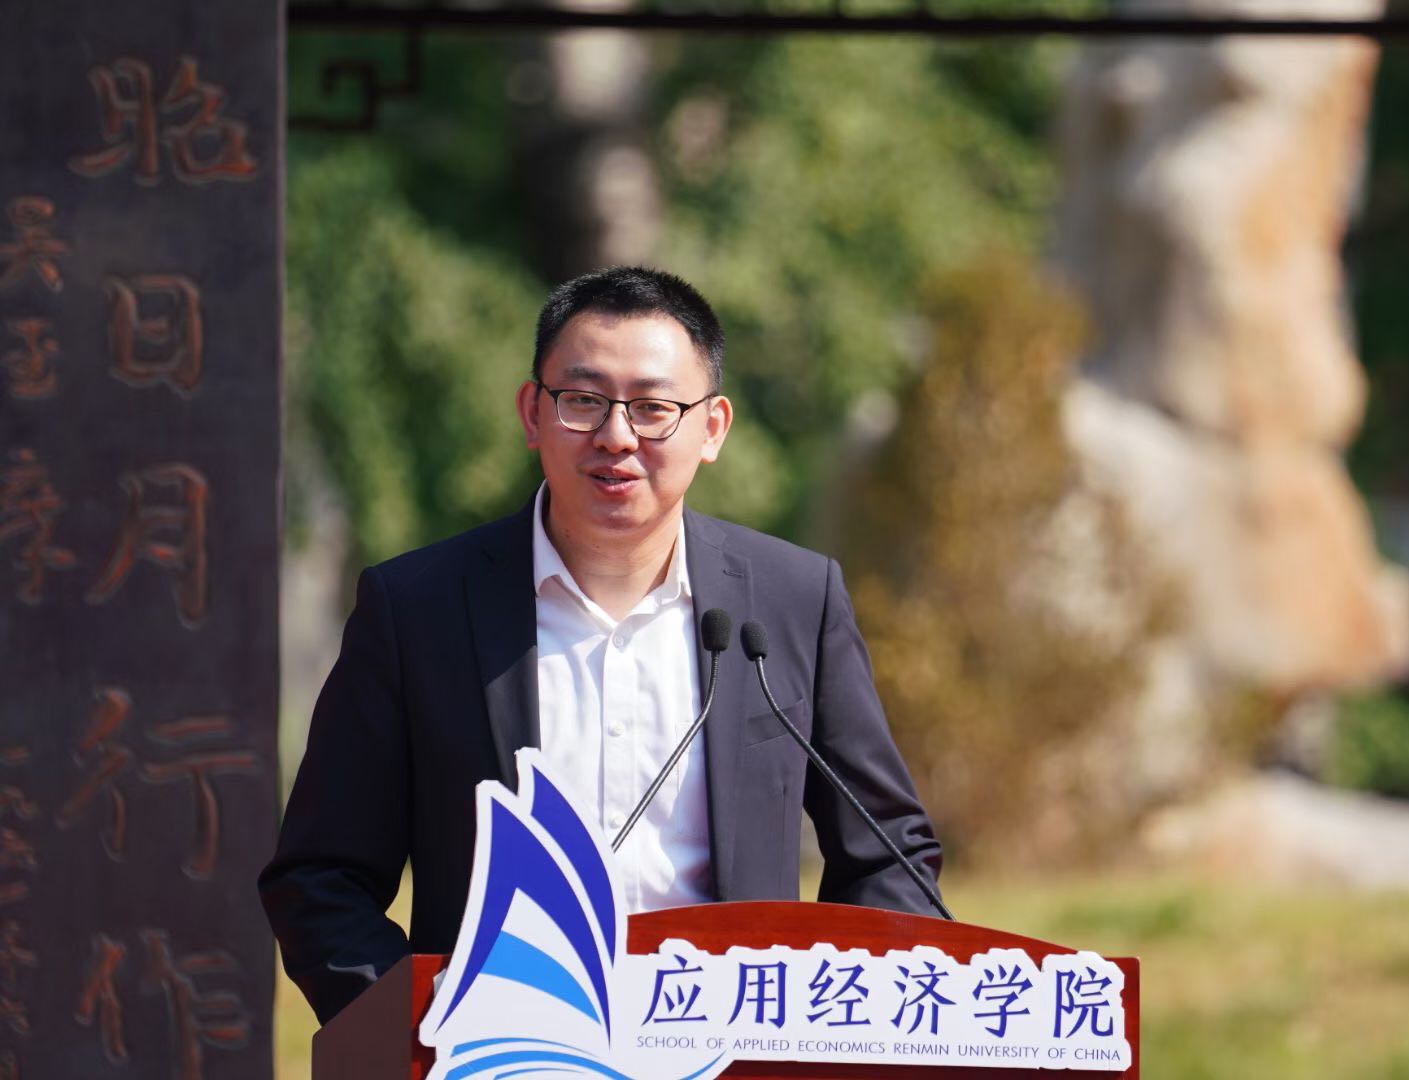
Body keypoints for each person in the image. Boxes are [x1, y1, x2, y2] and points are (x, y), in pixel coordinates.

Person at [260, 266, 942, 1024]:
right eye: (583, 401)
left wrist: (832, 1025)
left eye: (654, 408)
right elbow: (322, 879)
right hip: (502, 1054)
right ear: (532, 413)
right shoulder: (418, 609)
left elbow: (890, 853)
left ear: (713, 429)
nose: (617, 436)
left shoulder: (790, 601)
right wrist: (419, 1028)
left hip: (733, 1045)